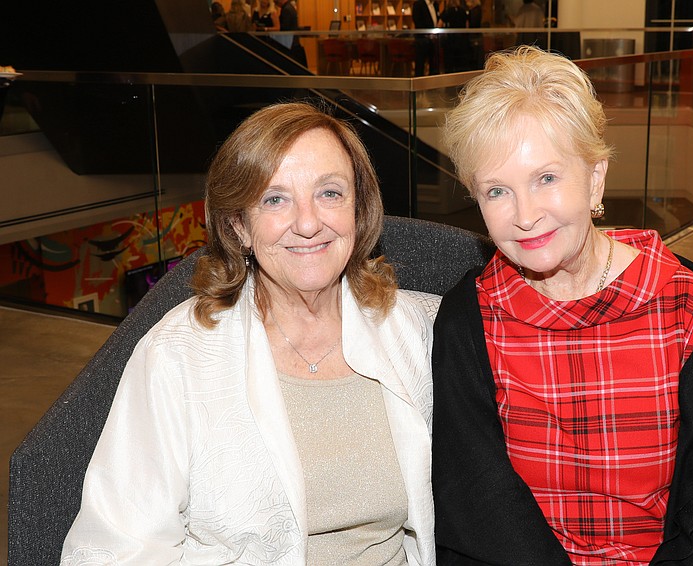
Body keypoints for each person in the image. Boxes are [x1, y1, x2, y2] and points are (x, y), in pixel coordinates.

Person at [60, 102, 439, 565]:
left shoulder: (418, 332)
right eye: (275, 199)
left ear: (358, 211)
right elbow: (116, 548)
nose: (307, 223)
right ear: (238, 225)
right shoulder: (177, 356)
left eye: (330, 193)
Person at [432, 46, 693, 565]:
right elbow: (477, 503)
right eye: (497, 190)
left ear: (595, 178)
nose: (526, 215)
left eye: (547, 178)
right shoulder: (469, 318)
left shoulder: (685, 302)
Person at [439, 0, 469, 73]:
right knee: (460, 64)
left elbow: (439, 24)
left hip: (450, 41)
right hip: (462, 41)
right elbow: (467, 26)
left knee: (450, 64)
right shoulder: (463, 11)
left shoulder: (447, 11)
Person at [413, 0, 440, 75]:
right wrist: (427, 34)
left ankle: (433, 83)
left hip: (434, 39)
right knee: (420, 64)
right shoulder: (418, 4)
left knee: (433, 63)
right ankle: (419, 84)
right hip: (422, 39)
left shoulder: (435, 5)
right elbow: (417, 21)